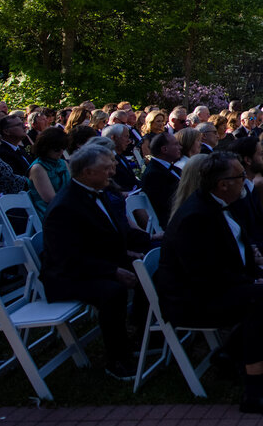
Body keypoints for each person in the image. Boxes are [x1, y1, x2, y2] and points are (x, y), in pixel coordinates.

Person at [155, 152, 263, 415]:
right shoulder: (195, 216)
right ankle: (255, 392)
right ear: (223, 184)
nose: (245, 179)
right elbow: (202, 273)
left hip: (213, 285)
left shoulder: (220, 204)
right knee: (260, 296)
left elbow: (229, 248)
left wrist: (252, 258)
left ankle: (230, 353)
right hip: (190, 298)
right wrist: (250, 279)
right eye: (239, 176)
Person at [41, 142, 151, 381]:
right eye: (106, 168)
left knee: (152, 266)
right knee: (113, 291)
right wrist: (113, 270)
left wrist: (152, 240)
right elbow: (68, 258)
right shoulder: (65, 207)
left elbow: (119, 232)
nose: (112, 172)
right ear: (86, 173)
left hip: (97, 262)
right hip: (67, 276)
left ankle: (145, 333)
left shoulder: (99, 191)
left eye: (112, 166)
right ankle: (117, 359)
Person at [141, 131, 182, 229]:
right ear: (164, 149)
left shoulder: (173, 168)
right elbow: (166, 205)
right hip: (173, 223)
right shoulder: (154, 174)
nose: (180, 147)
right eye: (176, 144)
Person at [27, 126, 70, 218]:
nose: (61, 152)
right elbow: (50, 199)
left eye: (63, 148)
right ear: (46, 147)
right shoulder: (38, 168)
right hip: (51, 212)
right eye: (57, 149)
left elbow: (72, 187)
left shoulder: (63, 163)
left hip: (66, 206)